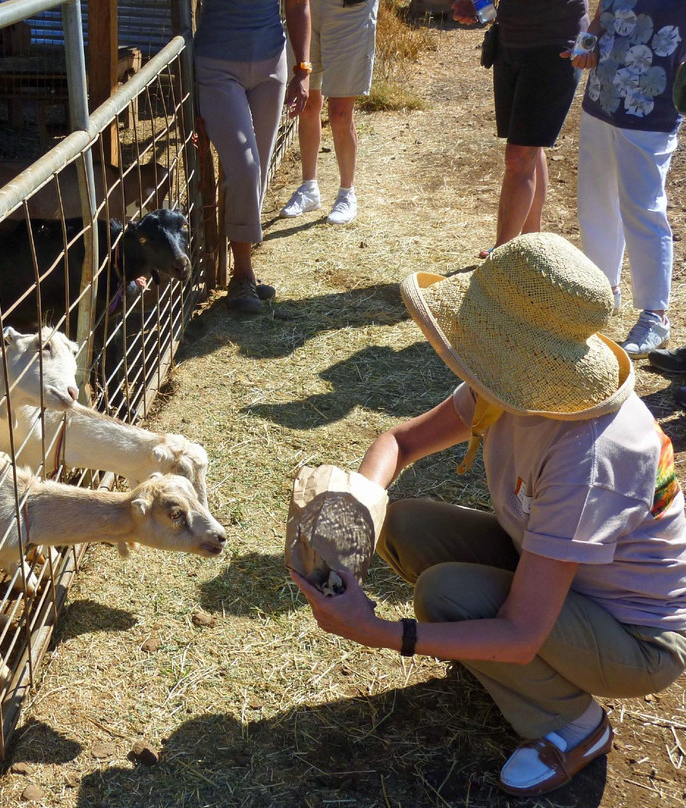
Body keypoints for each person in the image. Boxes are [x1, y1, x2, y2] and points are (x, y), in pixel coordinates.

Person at [291, 234, 686, 797]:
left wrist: (377, 632)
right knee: (401, 525)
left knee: (448, 596)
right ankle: (497, 661)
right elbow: (398, 444)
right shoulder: (519, 385)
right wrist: (353, 510)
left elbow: (523, 632)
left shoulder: (590, 451)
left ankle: (573, 727)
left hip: (635, 640)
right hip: (558, 573)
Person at [569, 0, 686, 358]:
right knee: (595, 204)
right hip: (603, 93)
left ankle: (656, 316)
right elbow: (605, 12)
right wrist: (587, 41)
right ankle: (602, 292)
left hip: (653, 102)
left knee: (643, 209)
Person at [195, 0, 311, 314]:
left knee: (257, 168)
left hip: (272, 65)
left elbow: (299, 5)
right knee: (245, 168)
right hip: (217, 66)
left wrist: (303, 68)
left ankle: (242, 270)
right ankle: (242, 274)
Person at [452, 0, 588, 258]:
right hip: (510, 41)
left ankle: (503, 259)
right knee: (529, 147)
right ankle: (529, 244)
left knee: (518, 155)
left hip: (555, 45)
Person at [280, 0, 379, 224]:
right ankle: (309, 188)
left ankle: (346, 193)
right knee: (306, 104)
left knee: (340, 114)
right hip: (306, 6)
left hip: (350, 10)